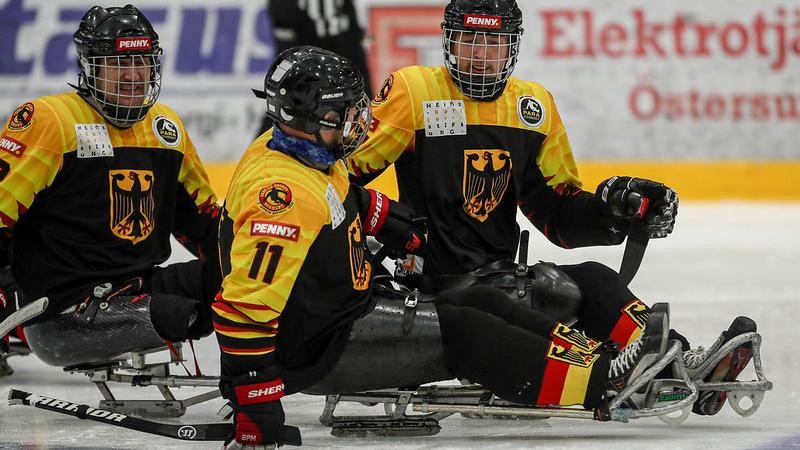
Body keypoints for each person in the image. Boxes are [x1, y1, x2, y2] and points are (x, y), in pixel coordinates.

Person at [213, 44, 676, 449]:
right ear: (320, 119)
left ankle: (614, 363)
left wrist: (375, 211)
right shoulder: (285, 193)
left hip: (345, 311)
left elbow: (337, 195)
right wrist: (255, 400)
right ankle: (604, 381)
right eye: (352, 113)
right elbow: (243, 309)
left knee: (481, 303)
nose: (364, 122)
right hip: (321, 345)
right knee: (465, 330)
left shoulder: (306, 157)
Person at [346, 0, 756, 417]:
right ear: (449, 42)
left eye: (495, 42)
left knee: (594, 279)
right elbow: (345, 173)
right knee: (538, 291)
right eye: (470, 40)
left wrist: (613, 211)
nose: (481, 54)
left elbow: (556, 214)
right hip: (434, 288)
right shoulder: (413, 91)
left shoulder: (533, 108)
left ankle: (679, 364)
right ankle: (612, 371)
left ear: (514, 48)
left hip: (502, 278)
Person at [0, 4, 220, 371]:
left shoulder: (166, 127)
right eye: (118, 64)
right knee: (182, 316)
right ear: (90, 67)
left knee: (240, 281)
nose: (134, 76)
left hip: (138, 285)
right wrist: (7, 294)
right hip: (64, 305)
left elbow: (203, 225)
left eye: (143, 62)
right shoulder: (51, 121)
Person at [255, 0, 373, 137]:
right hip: (320, 39)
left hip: (304, 31)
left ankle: (259, 151)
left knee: (285, 102)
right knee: (290, 101)